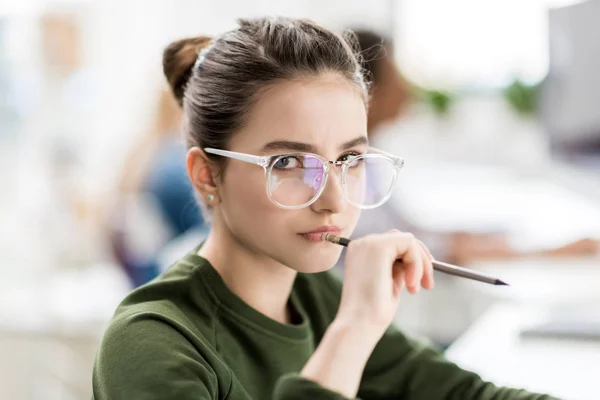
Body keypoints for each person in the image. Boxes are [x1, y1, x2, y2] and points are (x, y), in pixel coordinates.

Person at [92, 17, 557, 399]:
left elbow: (466, 396)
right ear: (207, 175)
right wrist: (355, 327)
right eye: (290, 163)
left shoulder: (315, 297)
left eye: (350, 160)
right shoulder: (150, 341)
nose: (335, 200)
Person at [351, 29, 599, 264]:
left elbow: (405, 233)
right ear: (368, 89)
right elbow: (419, 246)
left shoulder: (367, 163)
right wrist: (551, 252)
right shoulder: (347, 169)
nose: (407, 90)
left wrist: (480, 238)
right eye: (396, 76)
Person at [109, 89, 206, 286]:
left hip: (146, 274)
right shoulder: (174, 164)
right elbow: (207, 233)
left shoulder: (144, 154)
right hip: (173, 275)